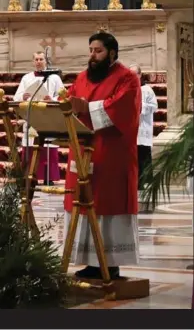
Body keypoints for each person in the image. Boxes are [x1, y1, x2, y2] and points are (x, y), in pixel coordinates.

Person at [65, 32, 141, 280]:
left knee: (106, 203)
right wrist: (59, 103)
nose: (93, 56)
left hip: (111, 153)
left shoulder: (127, 78)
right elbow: (70, 99)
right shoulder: (83, 77)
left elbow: (121, 109)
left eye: (98, 51)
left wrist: (87, 107)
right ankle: (90, 261)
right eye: (90, 50)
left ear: (112, 53)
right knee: (84, 203)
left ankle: (110, 261)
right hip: (83, 150)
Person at [13, 51, 64, 184]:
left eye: (41, 59)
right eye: (36, 59)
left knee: (48, 146)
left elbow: (63, 96)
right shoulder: (27, 78)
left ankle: (49, 177)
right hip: (32, 116)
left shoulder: (54, 78)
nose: (38, 62)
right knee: (31, 145)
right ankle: (29, 175)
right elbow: (16, 97)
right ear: (33, 61)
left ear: (46, 61)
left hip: (49, 115)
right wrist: (22, 97)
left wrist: (51, 99)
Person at [129, 64, 158, 190]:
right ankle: (133, 181)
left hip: (142, 127)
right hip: (130, 128)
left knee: (143, 155)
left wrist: (140, 106)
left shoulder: (147, 90)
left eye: (135, 74)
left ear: (140, 75)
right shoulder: (126, 89)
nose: (132, 77)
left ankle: (143, 181)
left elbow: (154, 106)